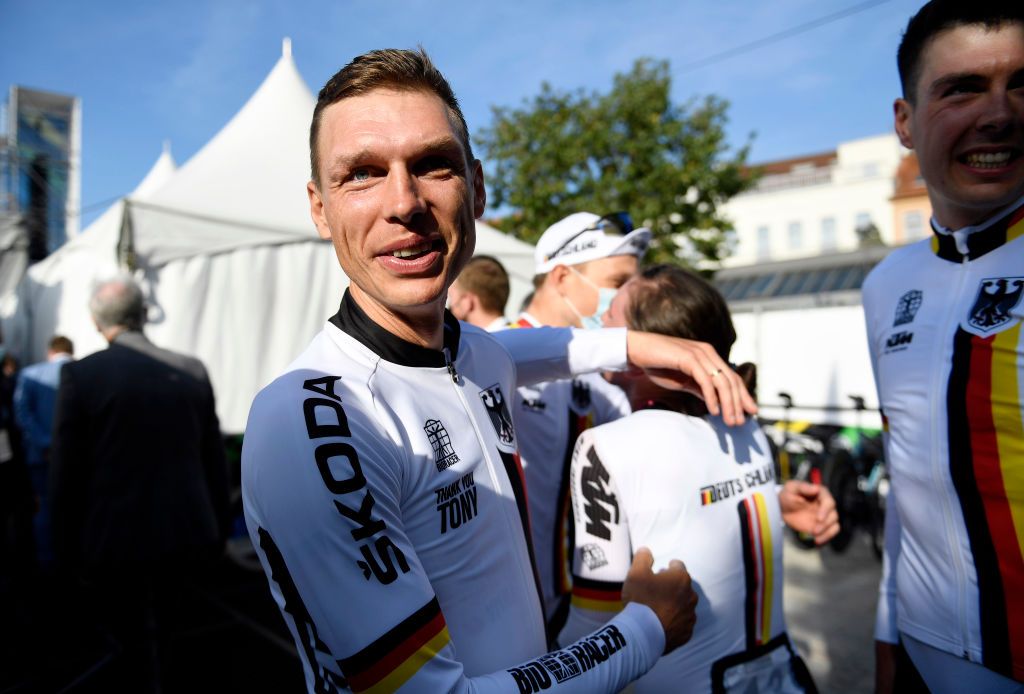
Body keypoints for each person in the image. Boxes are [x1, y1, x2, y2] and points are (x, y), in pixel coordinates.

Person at [242, 48, 757, 693]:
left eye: (434, 165)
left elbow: (537, 349)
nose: (405, 203)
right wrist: (646, 628)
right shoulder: (312, 419)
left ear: (477, 188)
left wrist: (648, 346)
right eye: (363, 175)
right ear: (320, 209)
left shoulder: (475, 352)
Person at [559, 265, 837, 693]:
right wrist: (775, 500)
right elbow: (704, 497)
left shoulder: (607, 445)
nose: (600, 326)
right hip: (787, 677)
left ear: (656, 353)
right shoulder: (743, 418)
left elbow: (591, 623)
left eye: (612, 316)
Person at [862, 2, 1024, 692]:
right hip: (926, 656)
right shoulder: (885, 283)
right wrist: (886, 626)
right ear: (905, 121)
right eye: (962, 88)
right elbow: (910, 473)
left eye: (1021, 83)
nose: (1000, 114)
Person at [49, 276, 229, 690]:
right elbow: (213, 460)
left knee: (128, 646)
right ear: (143, 315)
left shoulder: (82, 376)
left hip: (115, 538)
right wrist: (218, 526)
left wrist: (60, 551)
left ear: (97, 323)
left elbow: (66, 475)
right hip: (189, 528)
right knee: (178, 636)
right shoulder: (191, 369)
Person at [513, 211, 646, 641]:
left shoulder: (593, 373)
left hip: (577, 602)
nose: (628, 296)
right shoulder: (492, 355)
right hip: (513, 610)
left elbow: (645, 452)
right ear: (562, 277)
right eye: (617, 283)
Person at [13, 334, 73, 566]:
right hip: (76, 457)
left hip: (41, 456)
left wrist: (45, 443)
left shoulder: (30, 374)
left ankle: (46, 561)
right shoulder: (85, 374)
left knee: (44, 507)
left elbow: (23, 414)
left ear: (50, 352)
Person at [448, 254, 511, 330]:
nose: (450, 306)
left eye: (451, 297)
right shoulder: (519, 334)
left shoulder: (481, 340)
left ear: (467, 302)